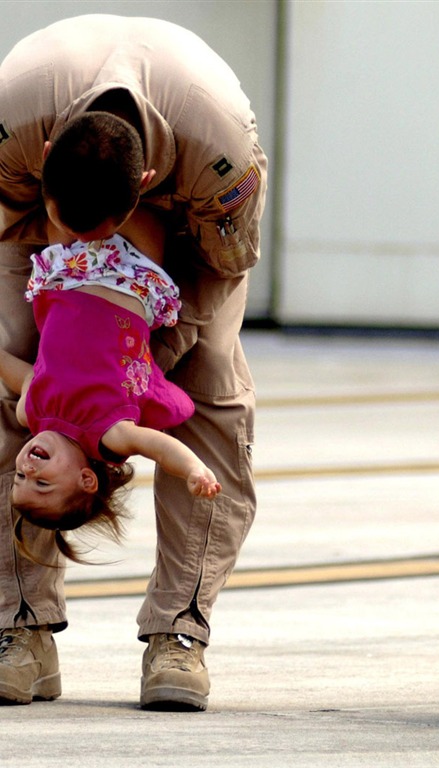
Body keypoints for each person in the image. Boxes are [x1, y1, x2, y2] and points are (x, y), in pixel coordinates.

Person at [0, 15, 267, 710]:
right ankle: (18, 628)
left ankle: (179, 633)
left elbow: (221, 269)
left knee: (212, 391)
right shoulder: (12, 123)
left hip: (187, 232)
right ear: (46, 154)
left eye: (100, 230)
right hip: (33, 231)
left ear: (144, 182)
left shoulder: (221, 158)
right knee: (10, 396)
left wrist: (137, 368)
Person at [0, 195, 221, 550]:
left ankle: (72, 163)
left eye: (20, 478)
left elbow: (24, 376)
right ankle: (136, 180)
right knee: (133, 207)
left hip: (66, 276)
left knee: (67, 201)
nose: (30, 469)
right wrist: (194, 470)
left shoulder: (31, 412)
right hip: (128, 280)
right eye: (42, 483)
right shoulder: (108, 435)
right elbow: (162, 447)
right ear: (87, 480)